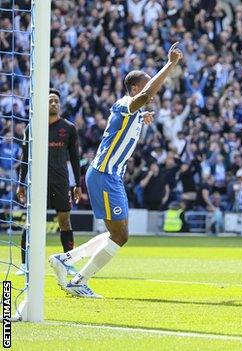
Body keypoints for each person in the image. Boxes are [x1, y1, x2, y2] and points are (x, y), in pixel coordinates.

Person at [47, 42, 184, 298]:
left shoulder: (134, 112)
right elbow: (144, 98)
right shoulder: (124, 104)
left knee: (117, 234)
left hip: (110, 176)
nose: (150, 91)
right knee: (120, 235)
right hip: (104, 175)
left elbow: (132, 115)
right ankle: (78, 279)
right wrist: (170, 64)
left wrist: (141, 119)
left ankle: (66, 259)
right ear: (134, 88)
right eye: (146, 84)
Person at [17, 88, 81, 276]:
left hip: (61, 181)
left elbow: (75, 158)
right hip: (37, 181)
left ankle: (68, 263)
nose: (53, 104)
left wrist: (77, 183)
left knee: (65, 221)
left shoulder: (68, 128)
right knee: (30, 222)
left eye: (56, 101)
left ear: (59, 105)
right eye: (50, 101)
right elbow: (24, 157)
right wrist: (21, 183)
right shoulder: (33, 127)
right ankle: (24, 264)